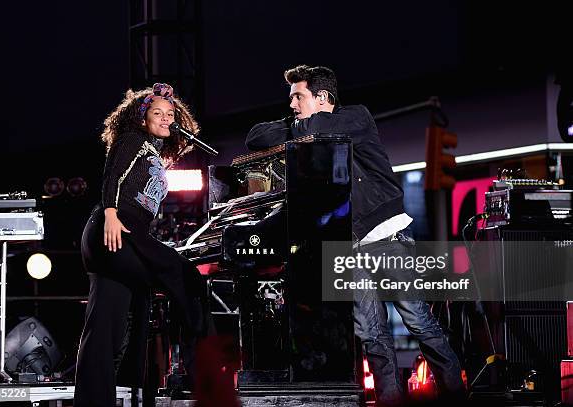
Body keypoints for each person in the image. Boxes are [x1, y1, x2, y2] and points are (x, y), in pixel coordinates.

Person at [246, 65, 464, 405]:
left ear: (322, 97)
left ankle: (455, 395)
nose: (291, 105)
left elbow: (321, 126)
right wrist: (297, 125)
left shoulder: (356, 117)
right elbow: (256, 136)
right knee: (371, 334)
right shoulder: (306, 128)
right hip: (351, 246)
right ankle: (392, 400)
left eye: (298, 97)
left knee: (418, 321)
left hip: (387, 237)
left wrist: (300, 127)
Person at [74, 83, 210, 407]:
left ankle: (95, 401)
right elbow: (112, 174)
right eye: (157, 113)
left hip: (118, 235)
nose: (165, 119)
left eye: (170, 114)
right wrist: (110, 212)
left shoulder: (152, 151)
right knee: (187, 278)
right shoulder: (132, 139)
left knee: (104, 327)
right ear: (142, 116)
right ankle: (204, 374)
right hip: (116, 227)